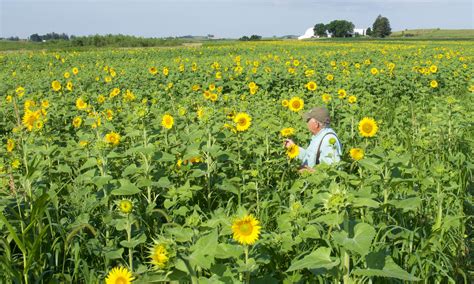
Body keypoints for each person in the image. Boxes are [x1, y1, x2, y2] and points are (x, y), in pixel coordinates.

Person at [284, 106, 342, 172]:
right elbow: (310, 157)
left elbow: (333, 171)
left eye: (308, 120)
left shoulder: (328, 140)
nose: (306, 123)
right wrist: (294, 148)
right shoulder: (318, 135)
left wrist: (308, 172)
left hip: (317, 181)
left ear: (316, 124)